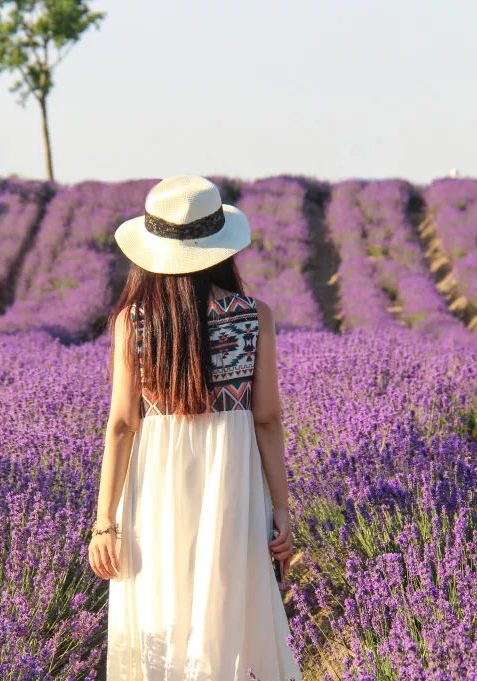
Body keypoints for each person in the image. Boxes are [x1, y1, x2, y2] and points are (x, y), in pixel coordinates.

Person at [92, 175, 303, 680]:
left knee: (159, 612)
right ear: (222, 248)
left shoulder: (135, 323)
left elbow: (122, 425)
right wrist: (281, 509)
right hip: (231, 486)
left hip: (154, 492)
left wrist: (105, 521)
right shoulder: (254, 318)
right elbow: (268, 420)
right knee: (228, 610)